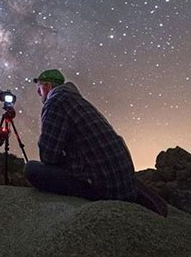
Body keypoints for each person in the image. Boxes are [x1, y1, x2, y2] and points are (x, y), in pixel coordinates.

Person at [25, 69, 168, 216]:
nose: (39, 93)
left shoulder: (54, 102)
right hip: (121, 179)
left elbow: (48, 156)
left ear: (47, 86)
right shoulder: (78, 100)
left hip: (102, 185)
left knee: (31, 169)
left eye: (39, 88)